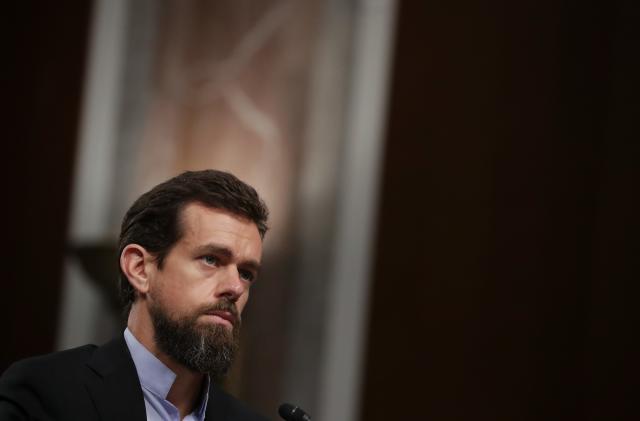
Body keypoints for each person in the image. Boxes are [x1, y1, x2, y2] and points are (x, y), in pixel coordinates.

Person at [0, 169, 270, 420]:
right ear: (140, 269)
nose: (235, 287)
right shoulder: (46, 393)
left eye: (246, 273)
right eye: (211, 259)